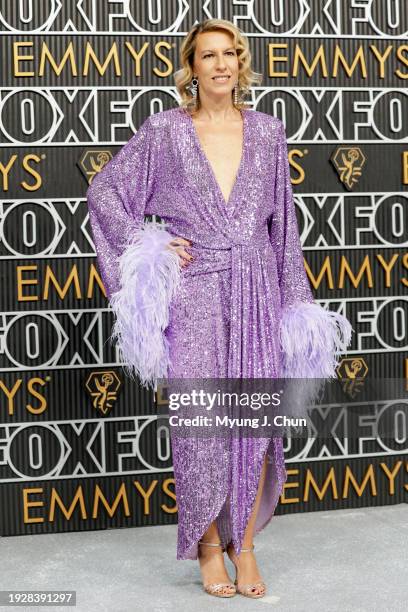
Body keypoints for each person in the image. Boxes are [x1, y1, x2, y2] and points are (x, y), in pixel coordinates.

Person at [86, 19, 353, 600]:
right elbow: (105, 191)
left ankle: (247, 548)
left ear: (241, 63)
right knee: (203, 422)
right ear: (192, 67)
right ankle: (209, 548)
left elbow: (285, 226)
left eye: (230, 54)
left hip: (257, 286)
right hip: (199, 288)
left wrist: (294, 304)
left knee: (254, 417)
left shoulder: (268, 131)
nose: (221, 65)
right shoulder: (163, 132)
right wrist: (149, 243)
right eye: (209, 55)